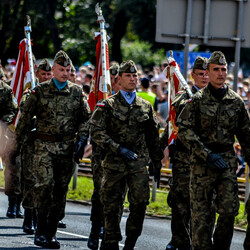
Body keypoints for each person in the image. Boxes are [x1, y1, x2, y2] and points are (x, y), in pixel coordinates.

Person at [14, 50, 91, 249]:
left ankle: (52, 233)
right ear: (54, 70)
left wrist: (82, 139)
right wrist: (16, 145)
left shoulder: (77, 92)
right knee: (44, 186)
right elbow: (24, 120)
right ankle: (40, 230)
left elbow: (85, 118)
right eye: (61, 69)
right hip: (43, 146)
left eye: (68, 70)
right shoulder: (38, 92)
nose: (65, 73)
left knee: (60, 191)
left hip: (67, 148)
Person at [176, 51, 250, 250]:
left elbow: (246, 136)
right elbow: (184, 130)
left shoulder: (236, 102)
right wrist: (205, 154)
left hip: (226, 161)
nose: (220, 73)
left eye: (223, 69)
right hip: (202, 165)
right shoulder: (197, 100)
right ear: (208, 72)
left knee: (229, 211)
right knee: (202, 218)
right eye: (216, 69)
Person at [90, 60, 163, 250]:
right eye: (128, 76)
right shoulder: (107, 105)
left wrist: (157, 160)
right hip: (114, 163)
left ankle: (130, 242)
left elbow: (153, 136)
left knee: (140, 203)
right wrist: (117, 148)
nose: (132, 79)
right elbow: (97, 132)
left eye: (135, 76)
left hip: (137, 164)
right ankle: (111, 242)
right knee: (112, 206)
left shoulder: (145, 106)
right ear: (118, 79)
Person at [161, 57, 209, 250]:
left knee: (205, 204)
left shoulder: (219, 98)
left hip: (206, 161)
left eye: (207, 73)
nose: (205, 77)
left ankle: (199, 241)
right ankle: (178, 239)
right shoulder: (183, 98)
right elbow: (172, 126)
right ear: (192, 75)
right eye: (201, 73)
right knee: (180, 202)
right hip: (184, 159)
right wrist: (158, 153)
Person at [87, 62, 121, 250]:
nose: (114, 84)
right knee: (100, 193)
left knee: (116, 197)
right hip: (102, 155)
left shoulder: (131, 101)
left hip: (121, 159)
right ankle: (95, 230)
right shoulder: (104, 103)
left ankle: (110, 233)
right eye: (113, 80)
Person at [0, 70, 19, 218]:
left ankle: (13, 204)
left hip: (1, 133)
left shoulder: (5, 90)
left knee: (11, 169)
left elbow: (12, 110)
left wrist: (3, 123)